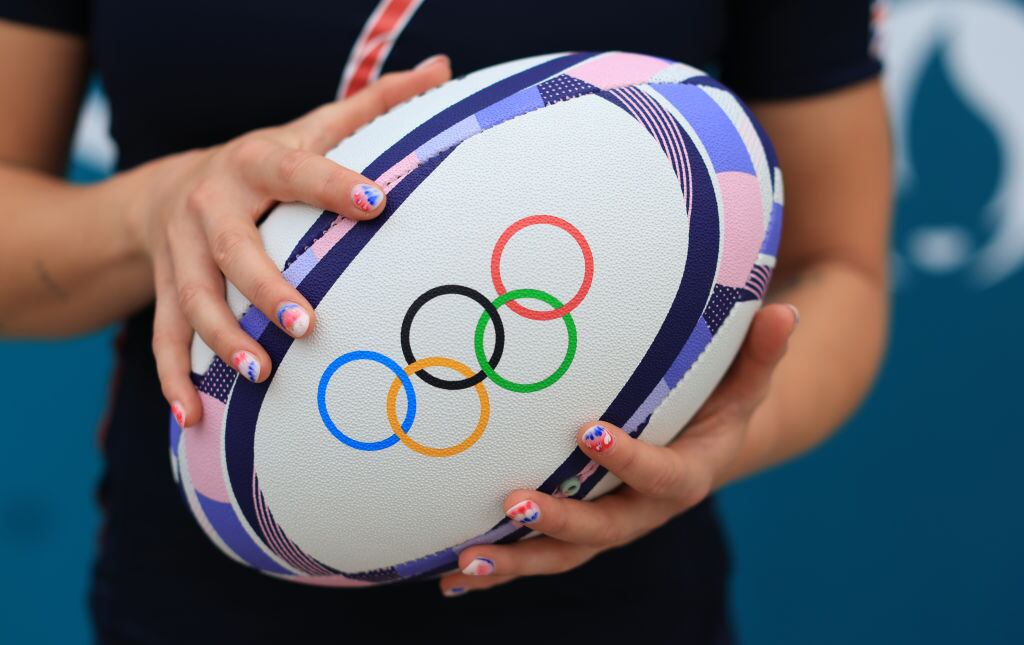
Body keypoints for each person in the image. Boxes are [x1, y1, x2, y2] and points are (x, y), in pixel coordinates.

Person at [0, 2, 891, 643]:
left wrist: (712, 442)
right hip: (195, 600)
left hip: (607, 607)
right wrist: (157, 208)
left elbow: (839, 265)